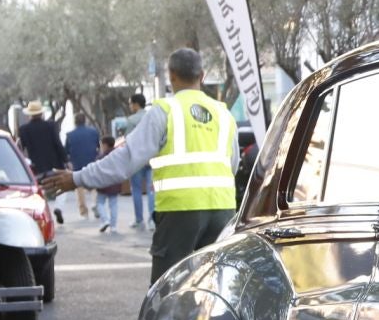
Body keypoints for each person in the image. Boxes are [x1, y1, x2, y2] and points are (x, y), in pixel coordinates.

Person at [41, 48, 239, 283]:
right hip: (223, 210)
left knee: (167, 289)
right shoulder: (223, 114)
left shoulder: (165, 111)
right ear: (203, 76)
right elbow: (232, 165)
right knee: (215, 287)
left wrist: (77, 178)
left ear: (172, 75)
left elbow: (126, 159)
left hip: (180, 213)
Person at [18, 101, 67, 224]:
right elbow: (57, 144)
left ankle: (46, 215)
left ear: (30, 114)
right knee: (62, 188)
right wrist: (66, 160)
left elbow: (21, 148)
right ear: (41, 113)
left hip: (36, 167)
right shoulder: (51, 126)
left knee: (41, 191)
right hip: (54, 164)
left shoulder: (24, 129)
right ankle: (58, 208)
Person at [122, 94, 157, 230]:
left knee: (136, 190)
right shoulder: (152, 116)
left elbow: (128, 140)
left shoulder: (131, 120)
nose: (130, 106)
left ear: (136, 104)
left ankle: (139, 219)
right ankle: (152, 220)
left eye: (131, 103)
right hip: (153, 159)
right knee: (151, 190)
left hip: (137, 160)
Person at [65, 111, 101, 220]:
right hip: (92, 160)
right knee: (95, 185)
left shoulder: (70, 135)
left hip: (77, 163)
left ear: (75, 122)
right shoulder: (94, 132)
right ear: (85, 121)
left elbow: (66, 151)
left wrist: (69, 162)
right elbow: (98, 146)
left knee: (79, 187)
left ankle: (84, 212)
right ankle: (96, 203)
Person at [95, 134, 127, 233]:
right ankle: (113, 226)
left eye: (101, 145)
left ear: (105, 145)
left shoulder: (101, 157)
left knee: (100, 203)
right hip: (115, 184)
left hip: (103, 185)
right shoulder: (118, 155)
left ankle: (105, 220)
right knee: (113, 205)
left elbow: (96, 170)